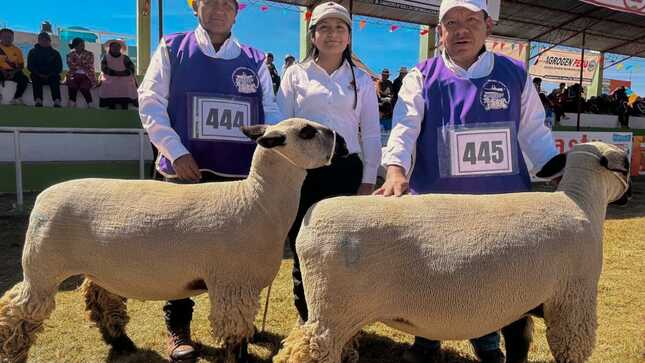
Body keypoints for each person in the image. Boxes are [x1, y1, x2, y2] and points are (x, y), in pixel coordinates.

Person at [376, 0, 559, 362]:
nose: (461, 29)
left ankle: (494, 347)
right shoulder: (421, 76)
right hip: (439, 208)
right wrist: (395, 168)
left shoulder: (514, 74)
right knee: (433, 278)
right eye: (451, 22)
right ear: (439, 31)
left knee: (501, 284)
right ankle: (426, 344)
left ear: (487, 26)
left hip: (503, 208)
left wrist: (556, 171)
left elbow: (535, 133)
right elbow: (404, 128)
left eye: (470, 21)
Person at [138, 0, 281, 361]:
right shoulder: (172, 47)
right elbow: (150, 101)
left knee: (239, 260)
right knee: (179, 255)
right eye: (210, 3)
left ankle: (237, 331)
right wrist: (175, 151)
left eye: (227, 5)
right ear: (196, 8)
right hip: (188, 170)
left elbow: (273, 112)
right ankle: (178, 329)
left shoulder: (255, 58)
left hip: (239, 179)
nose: (219, 10)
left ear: (236, 13)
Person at [277, 1, 381, 324]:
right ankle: (305, 316)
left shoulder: (362, 82)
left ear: (349, 37)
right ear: (313, 35)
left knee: (347, 248)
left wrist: (368, 180)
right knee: (303, 246)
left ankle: (343, 317)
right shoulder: (295, 76)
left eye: (340, 28)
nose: (332, 34)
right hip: (303, 173)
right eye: (324, 27)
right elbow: (282, 126)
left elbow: (373, 135)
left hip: (346, 172)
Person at [99, 39, 137, 109]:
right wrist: (114, 73)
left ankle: (124, 106)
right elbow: (103, 68)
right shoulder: (106, 57)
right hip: (109, 78)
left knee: (126, 85)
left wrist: (123, 73)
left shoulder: (125, 58)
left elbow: (131, 68)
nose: (115, 48)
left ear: (120, 48)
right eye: (113, 47)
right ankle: (111, 106)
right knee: (108, 85)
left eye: (117, 47)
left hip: (124, 77)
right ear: (110, 48)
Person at [27, 32, 63, 107]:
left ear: (49, 41)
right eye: (42, 40)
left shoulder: (55, 53)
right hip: (37, 75)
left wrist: (50, 74)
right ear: (39, 41)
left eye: (46, 40)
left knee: (56, 78)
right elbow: (30, 66)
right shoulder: (32, 52)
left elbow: (59, 68)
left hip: (51, 76)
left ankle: (57, 101)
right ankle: (38, 100)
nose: (44, 41)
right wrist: (38, 74)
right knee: (34, 77)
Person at [0, 28, 29, 105]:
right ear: (0, 37)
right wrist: (2, 70)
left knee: (24, 79)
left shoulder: (17, 50)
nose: (8, 39)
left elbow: (21, 65)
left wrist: (13, 72)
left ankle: (17, 98)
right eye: (5, 37)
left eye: (10, 37)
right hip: (1, 71)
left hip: (13, 72)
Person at [66, 38, 96, 107]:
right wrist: (81, 64)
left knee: (84, 87)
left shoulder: (90, 54)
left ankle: (90, 103)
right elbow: (70, 65)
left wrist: (77, 64)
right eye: (81, 44)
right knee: (72, 85)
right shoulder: (69, 55)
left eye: (83, 44)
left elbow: (89, 64)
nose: (83, 46)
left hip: (87, 75)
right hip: (73, 75)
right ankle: (72, 102)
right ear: (75, 46)